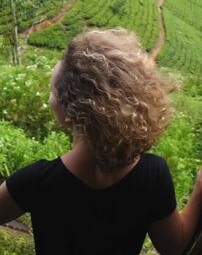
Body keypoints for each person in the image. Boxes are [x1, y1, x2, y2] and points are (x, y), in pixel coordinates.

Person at [0, 28, 201, 255]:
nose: (50, 97)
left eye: (53, 91)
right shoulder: (153, 175)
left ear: (70, 114)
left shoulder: (37, 181)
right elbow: (174, 247)